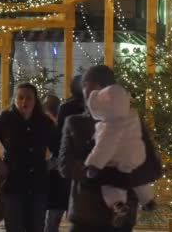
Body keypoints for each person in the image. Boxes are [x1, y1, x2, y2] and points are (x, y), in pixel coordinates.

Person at [59, 65, 139, 232]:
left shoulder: (131, 122)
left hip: (119, 215)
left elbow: (145, 164)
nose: (89, 95)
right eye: (86, 88)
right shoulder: (74, 123)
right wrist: (104, 172)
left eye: (95, 88)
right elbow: (66, 166)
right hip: (86, 213)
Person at [0, 82, 58, 232]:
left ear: (35, 101)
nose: (24, 102)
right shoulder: (5, 119)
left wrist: (51, 163)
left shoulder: (44, 122)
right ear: (14, 99)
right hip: (13, 184)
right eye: (20, 98)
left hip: (37, 185)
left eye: (28, 98)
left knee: (36, 227)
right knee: (15, 226)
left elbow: (58, 147)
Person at [84, 67, 156, 227]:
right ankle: (148, 199)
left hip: (116, 166)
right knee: (139, 182)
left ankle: (117, 204)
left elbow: (103, 148)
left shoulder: (109, 126)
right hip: (136, 157)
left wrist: (93, 165)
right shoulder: (131, 116)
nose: (86, 92)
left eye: (89, 86)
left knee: (112, 185)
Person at [45, 76, 85, 232]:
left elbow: (58, 138)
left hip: (64, 164)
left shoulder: (66, 107)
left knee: (55, 213)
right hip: (84, 165)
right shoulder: (92, 106)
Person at [41, 94, 65, 232]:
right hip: (61, 179)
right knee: (53, 220)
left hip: (53, 178)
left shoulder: (51, 127)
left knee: (49, 221)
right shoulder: (64, 125)